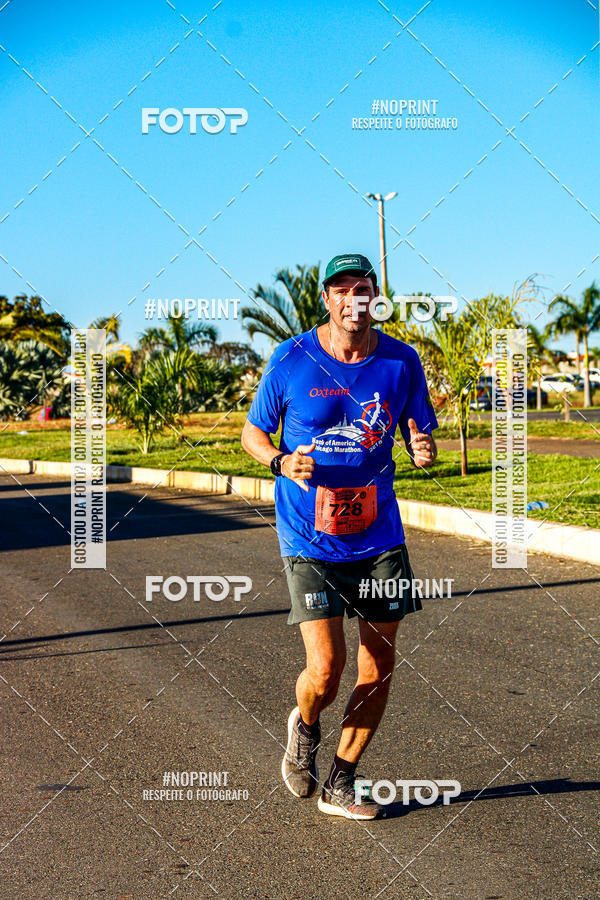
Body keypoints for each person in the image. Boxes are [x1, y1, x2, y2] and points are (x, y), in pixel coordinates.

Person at [241, 253, 438, 820]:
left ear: (377, 299)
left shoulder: (401, 361)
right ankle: (305, 726)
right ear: (327, 299)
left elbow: (419, 431)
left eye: (365, 288)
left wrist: (423, 449)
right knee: (325, 669)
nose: (355, 298)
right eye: (343, 289)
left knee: (377, 665)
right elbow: (254, 433)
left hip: (379, 536)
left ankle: (342, 781)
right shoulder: (292, 359)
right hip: (310, 538)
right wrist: (279, 461)